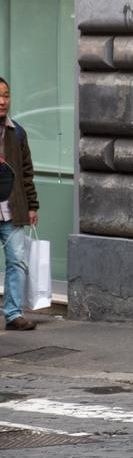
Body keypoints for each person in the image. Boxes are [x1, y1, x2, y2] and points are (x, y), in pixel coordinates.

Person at [0, 78, 40, 331]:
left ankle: (13, 314)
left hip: (11, 209)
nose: (2, 101)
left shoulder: (17, 132)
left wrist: (32, 205)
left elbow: (26, 172)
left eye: (6, 95)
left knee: (17, 261)